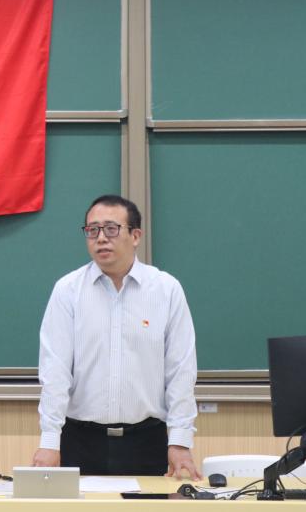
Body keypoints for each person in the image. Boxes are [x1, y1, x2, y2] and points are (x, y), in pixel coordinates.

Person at [32, 194, 201, 479]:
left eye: (111, 229)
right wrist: (49, 441)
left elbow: (181, 371)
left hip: (147, 441)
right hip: (80, 440)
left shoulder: (166, 290)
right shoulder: (68, 291)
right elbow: (55, 372)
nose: (101, 238)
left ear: (135, 236)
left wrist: (180, 441)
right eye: (92, 230)